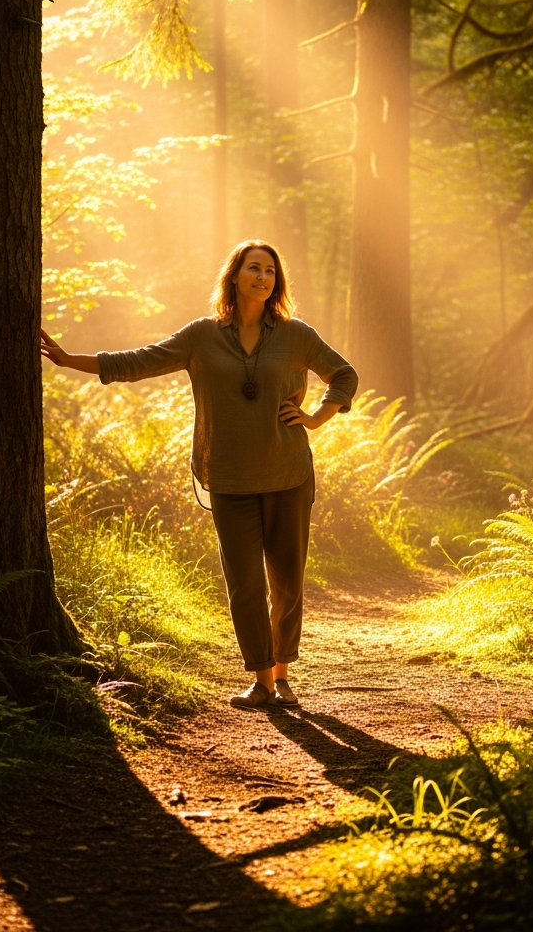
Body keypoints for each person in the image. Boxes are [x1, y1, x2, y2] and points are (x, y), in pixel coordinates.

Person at [40, 240, 358, 710]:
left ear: (277, 283)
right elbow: (138, 361)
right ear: (234, 276)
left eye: (270, 271)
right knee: (245, 585)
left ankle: (284, 673)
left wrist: (315, 418)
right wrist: (72, 361)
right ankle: (262, 679)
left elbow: (344, 374)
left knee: (287, 582)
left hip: (288, 474)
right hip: (228, 479)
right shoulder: (201, 337)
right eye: (254, 268)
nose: (262, 277)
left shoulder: (296, 336)